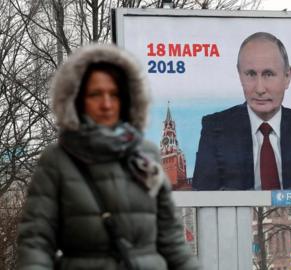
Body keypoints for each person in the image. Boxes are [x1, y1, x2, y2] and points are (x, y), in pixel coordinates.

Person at [17, 44, 199, 270]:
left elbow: (172, 240)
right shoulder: (56, 160)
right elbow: (36, 242)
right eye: (95, 94)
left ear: (127, 100)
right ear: (77, 99)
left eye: (114, 94)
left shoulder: (147, 154)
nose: (106, 103)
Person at [192, 32, 291, 190]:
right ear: (240, 76)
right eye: (251, 74)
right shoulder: (215, 128)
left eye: (268, 74)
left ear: (287, 77)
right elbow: (203, 196)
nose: (259, 89)